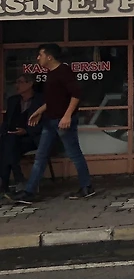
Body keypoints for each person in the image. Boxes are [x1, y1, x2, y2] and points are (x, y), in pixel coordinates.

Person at [13, 45, 95, 204]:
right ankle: (29, 192)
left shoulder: (64, 71)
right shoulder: (50, 74)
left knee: (74, 154)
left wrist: (67, 116)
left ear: (49, 57)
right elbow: (53, 100)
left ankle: (86, 187)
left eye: (40, 55)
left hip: (62, 122)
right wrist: (39, 111)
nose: (38, 58)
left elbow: (76, 94)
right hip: (49, 121)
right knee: (41, 156)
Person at [1, 73, 43, 199]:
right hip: (12, 137)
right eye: (16, 82)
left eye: (20, 82)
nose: (16, 85)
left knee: (6, 147)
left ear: (30, 84)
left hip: (30, 138)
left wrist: (26, 131)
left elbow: (45, 123)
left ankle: (5, 186)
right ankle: (19, 179)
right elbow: (6, 122)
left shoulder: (40, 100)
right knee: (8, 142)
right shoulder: (13, 100)